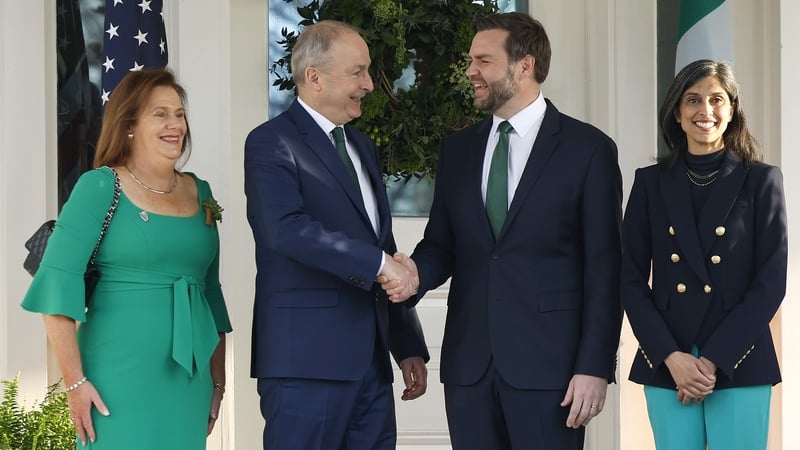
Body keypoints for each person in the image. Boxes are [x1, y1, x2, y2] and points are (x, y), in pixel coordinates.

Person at [382, 12, 623, 450]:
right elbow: (442, 244)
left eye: (484, 60)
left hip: (551, 369)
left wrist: (594, 366)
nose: (470, 71)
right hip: (469, 367)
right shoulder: (458, 150)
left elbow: (605, 269)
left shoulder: (588, 150)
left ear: (524, 65)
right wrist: (413, 273)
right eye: (471, 60)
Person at [21, 69, 232, 449]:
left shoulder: (201, 192)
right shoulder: (100, 186)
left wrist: (218, 383)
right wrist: (75, 384)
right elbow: (55, 290)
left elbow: (211, 295)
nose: (175, 125)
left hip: (189, 383)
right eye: (160, 114)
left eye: (179, 114)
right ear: (129, 125)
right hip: (115, 381)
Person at [244, 20, 430, 450]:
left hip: (371, 366)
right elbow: (284, 229)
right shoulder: (271, 142)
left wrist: (406, 344)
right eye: (357, 72)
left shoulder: (362, 147)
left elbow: (382, 246)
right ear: (314, 77)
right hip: (305, 365)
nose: (369, 84)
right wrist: (379, 264)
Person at [622, 59, 786, 450]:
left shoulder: (761, 181)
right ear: (677, 112)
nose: (705, 110)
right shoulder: (649, 183)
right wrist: (670, 356)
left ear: (732, 110)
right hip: (669, 360)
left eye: (716, 99)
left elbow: (770, 283)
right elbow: (628, 278)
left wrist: (713, 360)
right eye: (693, 99)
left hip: (739, 358)